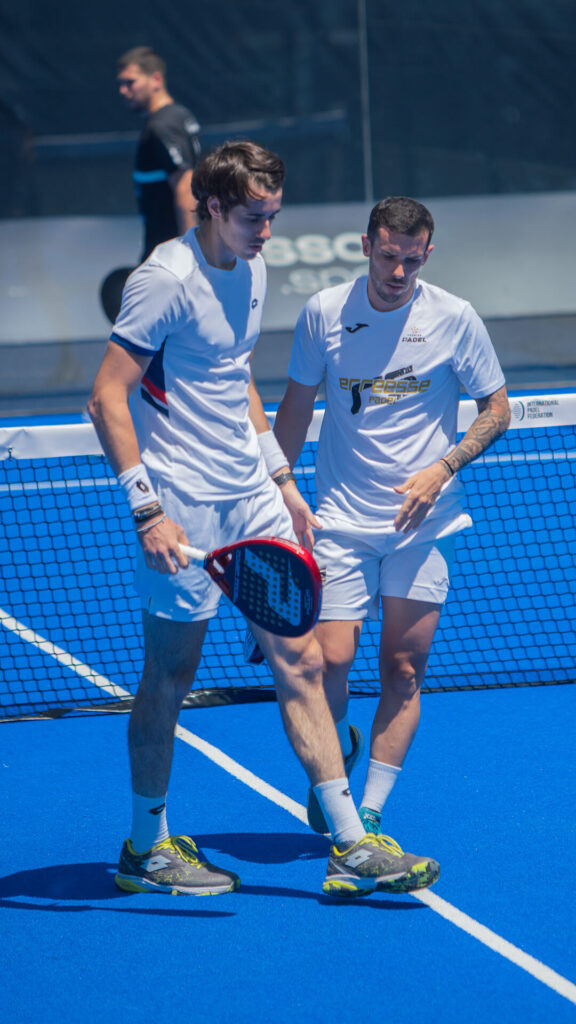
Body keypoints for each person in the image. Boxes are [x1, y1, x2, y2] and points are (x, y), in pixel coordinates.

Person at [88, 144, 439, 898]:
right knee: (170, 674)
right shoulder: (165, 280)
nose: (268, 232)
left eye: (274, 216)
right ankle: (145, 846)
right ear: (212, 206)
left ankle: (351, 844)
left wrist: (282, 481)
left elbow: (236, 371)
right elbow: (106, 395)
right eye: (255, 217)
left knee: (303, 661)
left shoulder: (252, 267)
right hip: (183, 503)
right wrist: (147, 508)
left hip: (251, 493)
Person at [272, 195, 511, 841]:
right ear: (365, 246)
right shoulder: (324, 312)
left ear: (427, 254)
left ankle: (369, 812)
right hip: (340, 522)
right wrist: (277, 489)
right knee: (329, 662)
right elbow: (295, 406)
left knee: (404, 669)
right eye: (387, 257)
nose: (398, 272)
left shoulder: (454, 317)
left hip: (425, 524)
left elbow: (497, 407)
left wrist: (444, 467)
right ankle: (338, 751)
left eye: (411, 260)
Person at [117, 46, 201, 261]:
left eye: (130, 82)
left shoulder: (162, 126)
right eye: (121, 84)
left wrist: (188, 256)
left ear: (156, 79)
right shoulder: (180, 115)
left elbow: (185, 185)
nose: (123, 91)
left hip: (167, 254)